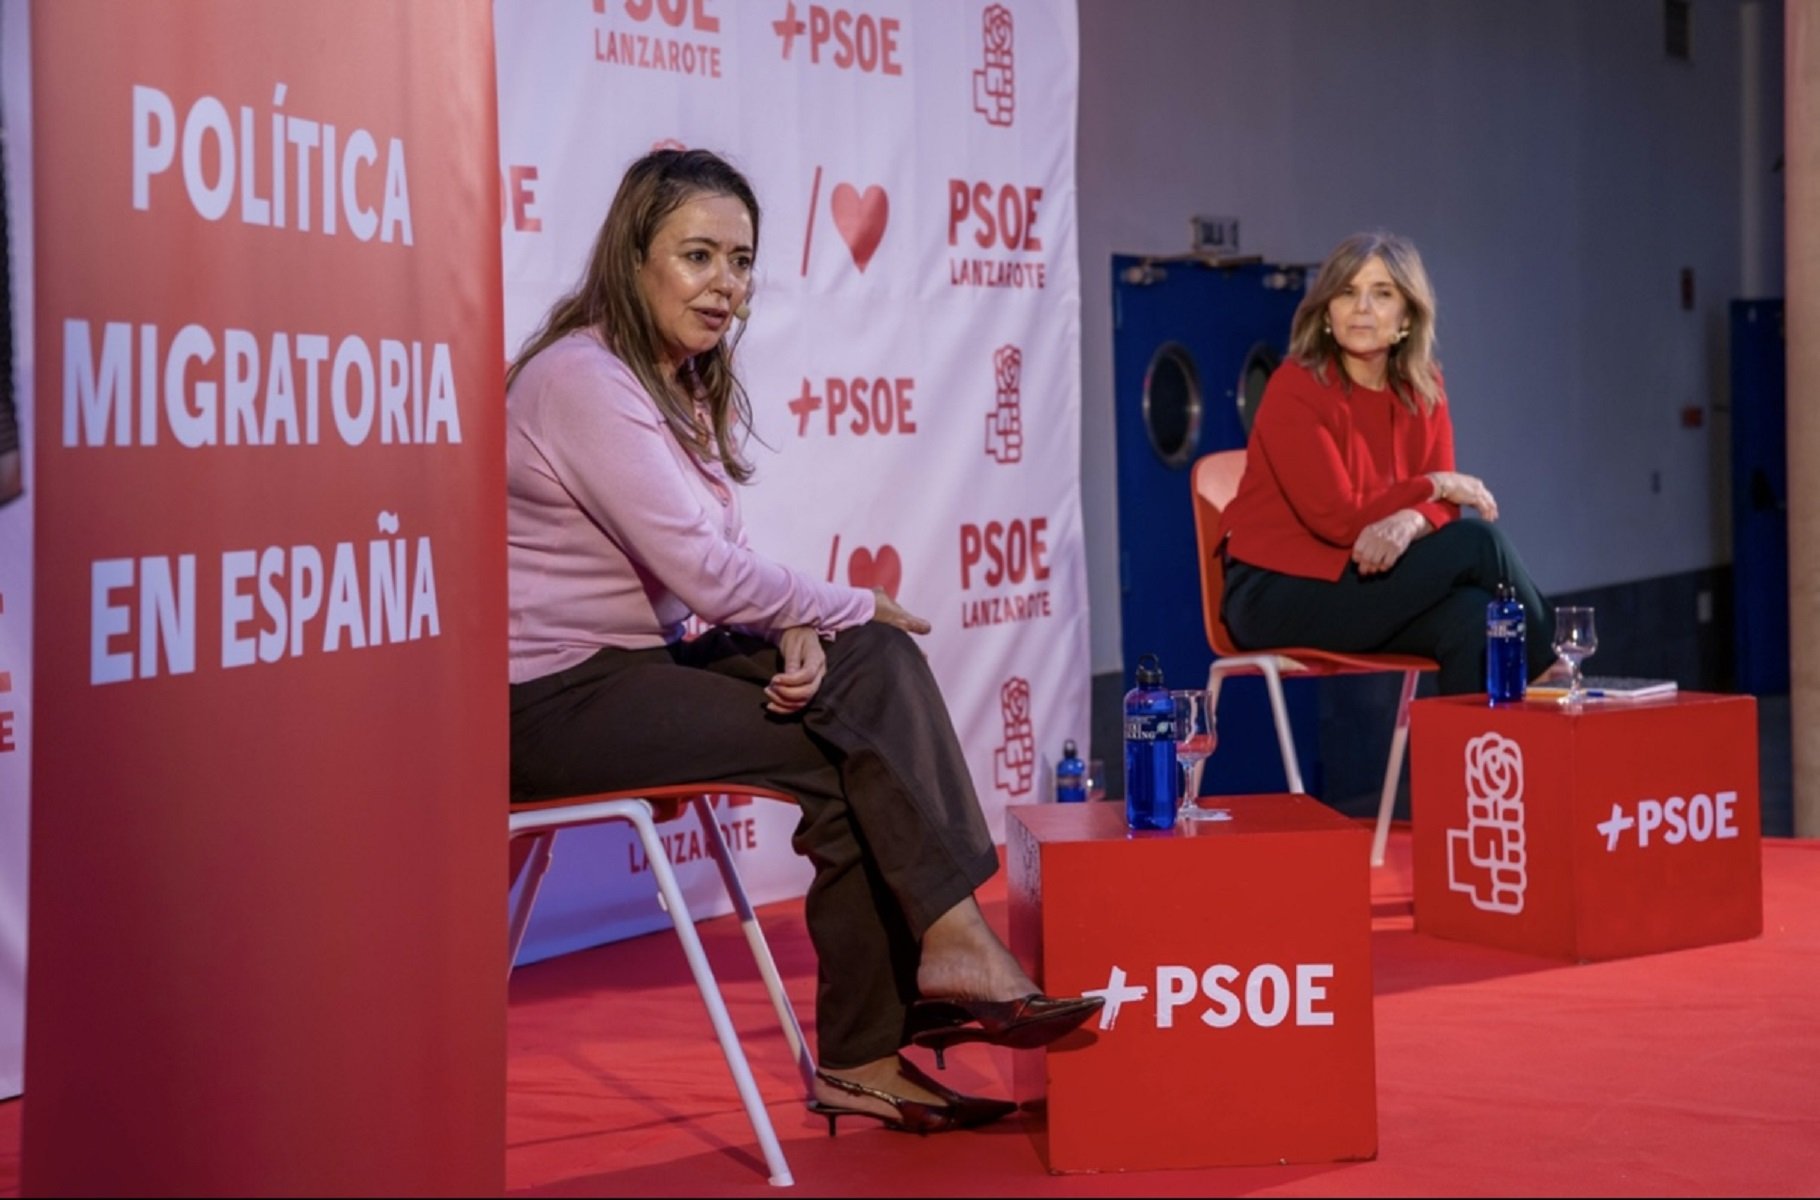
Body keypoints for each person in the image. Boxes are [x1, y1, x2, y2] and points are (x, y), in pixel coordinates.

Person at [505, 148, 1101, 1136]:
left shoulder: (676, 382)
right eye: (697, 256)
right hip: (553, 702)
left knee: (873, 666)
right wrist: (840, 602)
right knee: (849, 718)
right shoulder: (583, 379)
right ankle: (907, 1002)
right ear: (632, 256)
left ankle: (939, 958)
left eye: (739, 262)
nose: (725, 286)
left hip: (637, 668)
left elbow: (720, 561)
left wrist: (798, 628)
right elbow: (703, 576)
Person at [1216, 230, 1555, 695]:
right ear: (1328, 312)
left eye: (1382, 294)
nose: (1361, 308)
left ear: (1407, 318)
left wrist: (1408, 522)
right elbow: (1339, 518)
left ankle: (1463, 766)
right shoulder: (1295, 386)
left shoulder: (1425, 388)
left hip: (1364, 577)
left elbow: (1442, 513)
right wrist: (1433, 486)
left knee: (1474, 619)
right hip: (1276, 593)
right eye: (1347, 292)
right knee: (1479, 543)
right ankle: (1552, 663)